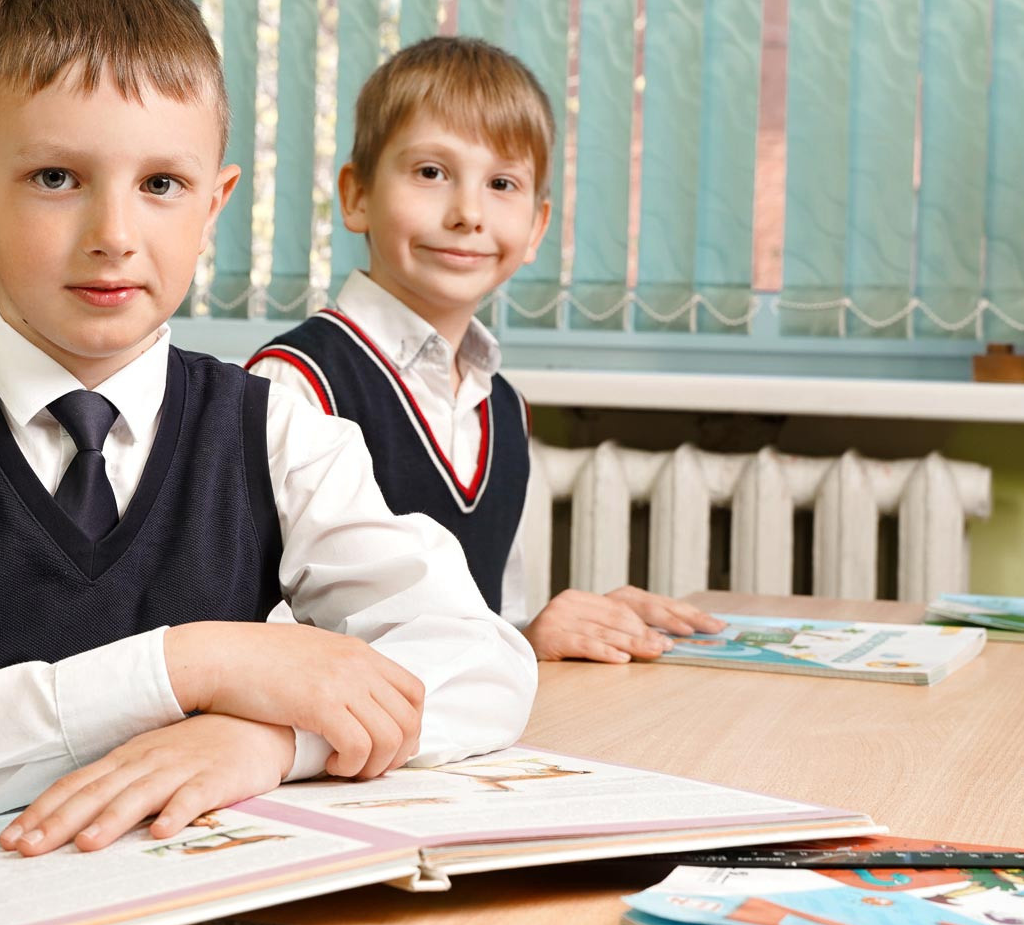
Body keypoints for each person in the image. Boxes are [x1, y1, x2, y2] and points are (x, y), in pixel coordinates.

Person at [0, 0, 536, 864]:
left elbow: (480, 663)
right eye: (56, 176)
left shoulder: (280, 436)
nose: (114, 234)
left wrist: (269, 743)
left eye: (161, 184)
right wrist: (190, 666)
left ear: (214, 205)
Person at [249, 37, 723, 664]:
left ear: (536, 228)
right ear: (357, 195)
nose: (468, 212)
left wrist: (567, 631)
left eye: (502, 183)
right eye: (430, 173)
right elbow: (259, 638)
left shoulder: (505, 410)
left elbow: (490, 615)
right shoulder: (295, 386)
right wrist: (520, 643)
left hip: (460, 742)